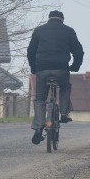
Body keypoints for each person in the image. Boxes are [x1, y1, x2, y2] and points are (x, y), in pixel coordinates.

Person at [27, 10, 84, 145]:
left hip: (42, 69)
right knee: (65, 88)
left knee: (40, 99)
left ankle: (39, 127)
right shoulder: (68, 31)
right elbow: (78, 51)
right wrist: (75, 66)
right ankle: (64, 114)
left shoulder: (39, 31)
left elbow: (30, 52)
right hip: (61, 69)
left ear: (49, 19)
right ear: (62, 20)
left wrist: (34, 68)